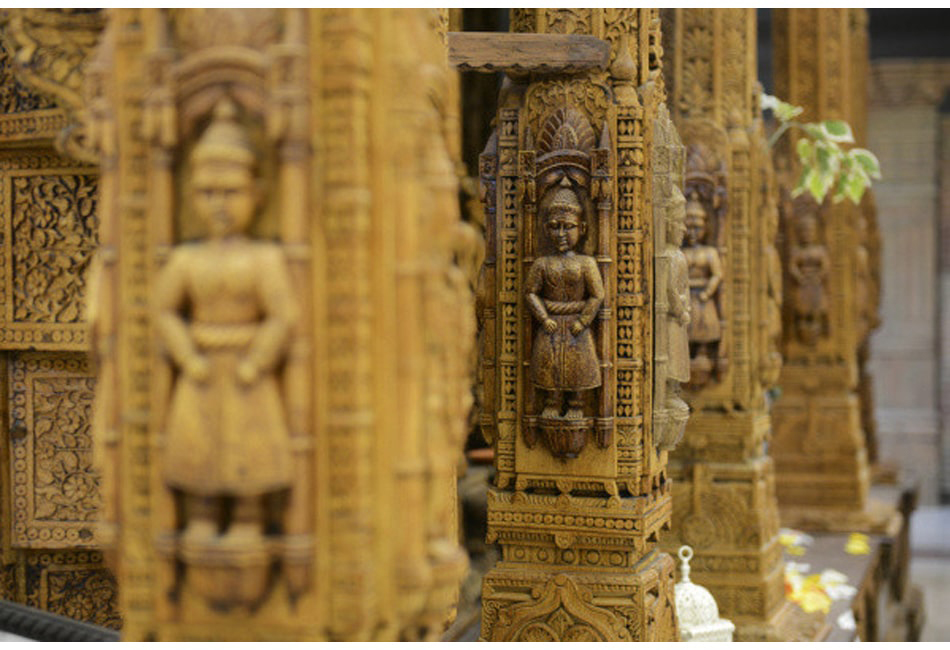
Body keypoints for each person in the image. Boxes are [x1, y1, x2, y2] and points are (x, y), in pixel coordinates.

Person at [155, 97, 296, 550]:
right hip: (200, 370)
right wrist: (186, 355)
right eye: (207, 193)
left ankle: (250, 519)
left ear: (256, 194)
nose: (219, 204)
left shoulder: (265, 258)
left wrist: (257, 360)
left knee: (248, 449)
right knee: (198, 448)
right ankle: (200, 515)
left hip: (246, 372)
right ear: (191, 195)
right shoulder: (184, 259)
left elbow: (283, 315)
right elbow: (162, 311)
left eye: (231, 193)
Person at [526, 177, 605, 422]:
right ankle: (552, 401)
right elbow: (530, 292)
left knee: (578, 367)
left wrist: (583, 320)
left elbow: (597, 294)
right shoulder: (542, 264)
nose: (560, 233)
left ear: (582, 229)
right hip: (551, 325)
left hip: (575, 326)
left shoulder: (586, 263)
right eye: (554, 226)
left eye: (567, 227)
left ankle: (577, 403)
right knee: (550, 367)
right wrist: (543, 316)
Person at [683, 191, 723, 382]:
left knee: (704, 327)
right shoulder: (682, 252)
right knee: (688, 329)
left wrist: (708, 292)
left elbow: (717, 274)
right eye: (689, 228)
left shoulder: (710, 252)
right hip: (686, 297)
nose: (693, 233)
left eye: (697, 228)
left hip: (702, 298)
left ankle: (703, 353)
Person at [789, 211, 829, 344]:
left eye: (810, 231)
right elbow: (792, 266)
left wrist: (818, 276)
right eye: (804, 232)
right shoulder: (797, 251)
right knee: (802, 310)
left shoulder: (819, 251)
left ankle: (816, 330)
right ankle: (802, 329)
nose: (807, 235)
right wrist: (800, 277)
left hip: (815, 285)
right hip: (803, 285)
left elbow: (825, 266)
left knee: (816, 310)